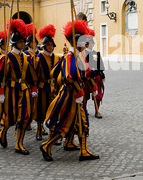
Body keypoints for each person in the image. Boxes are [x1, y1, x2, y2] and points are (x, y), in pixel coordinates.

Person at [39, 20, 99, 162]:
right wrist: (78, 91)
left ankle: (83, 150)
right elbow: (68, 77)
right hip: (70, 96)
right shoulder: (70, 57)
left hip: (78, 95)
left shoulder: (81, 56)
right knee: (65, 123)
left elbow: (87, 74)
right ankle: (47, 145)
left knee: (81, 123)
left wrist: (93, 87)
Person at [0, 19, 38, 155]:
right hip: (10, 91)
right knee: (9, 118)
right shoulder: (6, 58)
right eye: (20, 42)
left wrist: (33, 88)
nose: (23, 44)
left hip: (24, 91)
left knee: (24, 117)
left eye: (24, 41)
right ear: (15, 43)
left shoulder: (26, 57)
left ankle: (19, 144)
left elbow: (31, 75)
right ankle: (3, 130)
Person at [34, 24, 60, 141]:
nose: (50, 47)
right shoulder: (38, 58)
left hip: (53, 87)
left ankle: (53, 132)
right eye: (48, 45)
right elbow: (34, 75)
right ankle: (39, 129)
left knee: (54, 110)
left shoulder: (57, 58)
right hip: (42, 87)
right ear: (44, 45)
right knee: (41, 110)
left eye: (51, 45)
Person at [84, 28, 105, 119]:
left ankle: (97, 111)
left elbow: (100, 65)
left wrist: (101, 74)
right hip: (86, 78)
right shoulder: (82, 54)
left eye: (93, 43)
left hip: (96, 77)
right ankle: (84, 110)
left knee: (97, 95)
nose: (92, 45)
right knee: (84, 95)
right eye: (90, 43)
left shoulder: (96, 54)